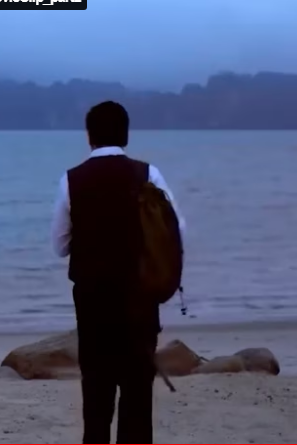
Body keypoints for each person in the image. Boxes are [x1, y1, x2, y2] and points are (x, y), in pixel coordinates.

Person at [50, 101, 186, 444]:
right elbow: (176, 229)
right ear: (126, 135)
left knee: (96, 392)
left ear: (89, 136)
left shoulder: (71, 180)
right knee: (137, 394)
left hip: (93, 303)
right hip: (140, 301)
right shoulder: (148, 174)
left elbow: (60, 245)